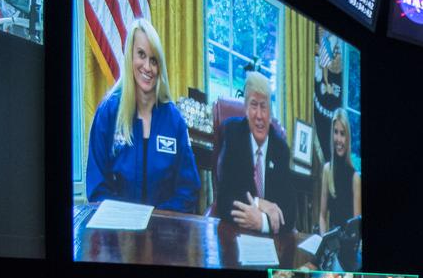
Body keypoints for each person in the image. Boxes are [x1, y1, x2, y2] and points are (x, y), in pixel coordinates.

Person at [85, 18, 201, 213]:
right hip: (117, 235)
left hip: (163, 233)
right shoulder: (108, 113)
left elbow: (188, 190)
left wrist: (154, 219)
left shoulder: (174, 121)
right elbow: (97, 188)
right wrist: (127, 221)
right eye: (141, 55)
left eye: (154, 60)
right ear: (130, 57)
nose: (147, 67)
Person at [216, 72, 295, 233]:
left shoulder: (281, 150)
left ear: (270, 113)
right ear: (245, 109)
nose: (259, 115)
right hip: (236, 234)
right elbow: (224, 199)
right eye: (253, 105)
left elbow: (290, 212)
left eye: (264, 106)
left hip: (270, 240)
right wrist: (260, 203)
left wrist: (263, 223)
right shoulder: (233, 134)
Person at [319, 107, 361, 234]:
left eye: (342, 134)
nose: (338, 139)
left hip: (348, 246)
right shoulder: (327, 170)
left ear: (347, 138)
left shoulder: (355, 178)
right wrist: (323, 240)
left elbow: (356, 229)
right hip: (330, 243)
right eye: (335, 132)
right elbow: (322, 216)